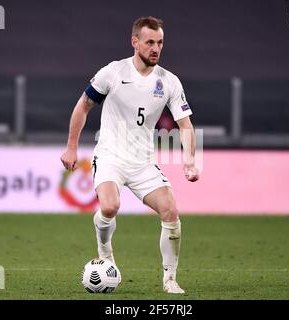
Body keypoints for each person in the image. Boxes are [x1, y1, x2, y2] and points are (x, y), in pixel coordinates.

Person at [60, 16, 199, 294]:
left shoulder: (169, 82)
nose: (155, 48)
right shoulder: (113, 72)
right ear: (135, 42)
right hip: (110, 155)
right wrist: (72, 146)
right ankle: (105, 251)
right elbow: (83, 106)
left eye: (160, 43)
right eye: (150, 42)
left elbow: (185, 124)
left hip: (143, 162)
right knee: (110, 207)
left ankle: (170, 279)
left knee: (170, 210)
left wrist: (190, 160)